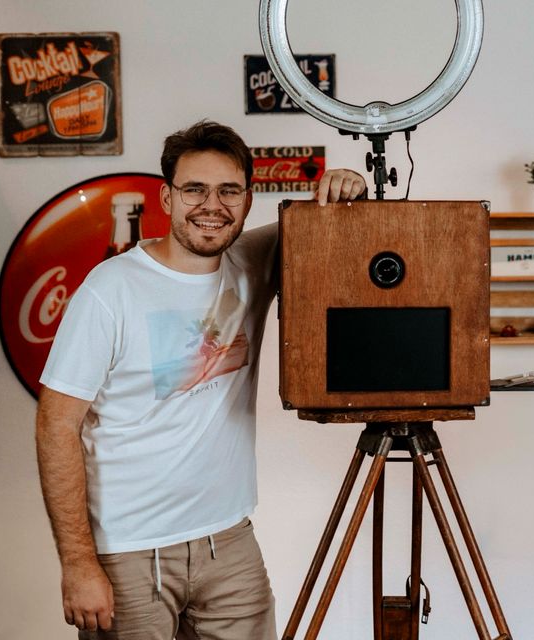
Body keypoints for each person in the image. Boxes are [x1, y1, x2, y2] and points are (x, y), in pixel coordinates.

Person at [35, 120, 367, 639]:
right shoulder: (111, 289)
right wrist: (79, 564)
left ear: (249, 199)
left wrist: (349, 187)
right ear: (167, 198)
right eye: (195, 189)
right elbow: (56, 426)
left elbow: (326, 229)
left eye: (228, 190)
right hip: (129, 550)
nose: (212, 205)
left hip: (228, 542)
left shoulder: (253, 261)